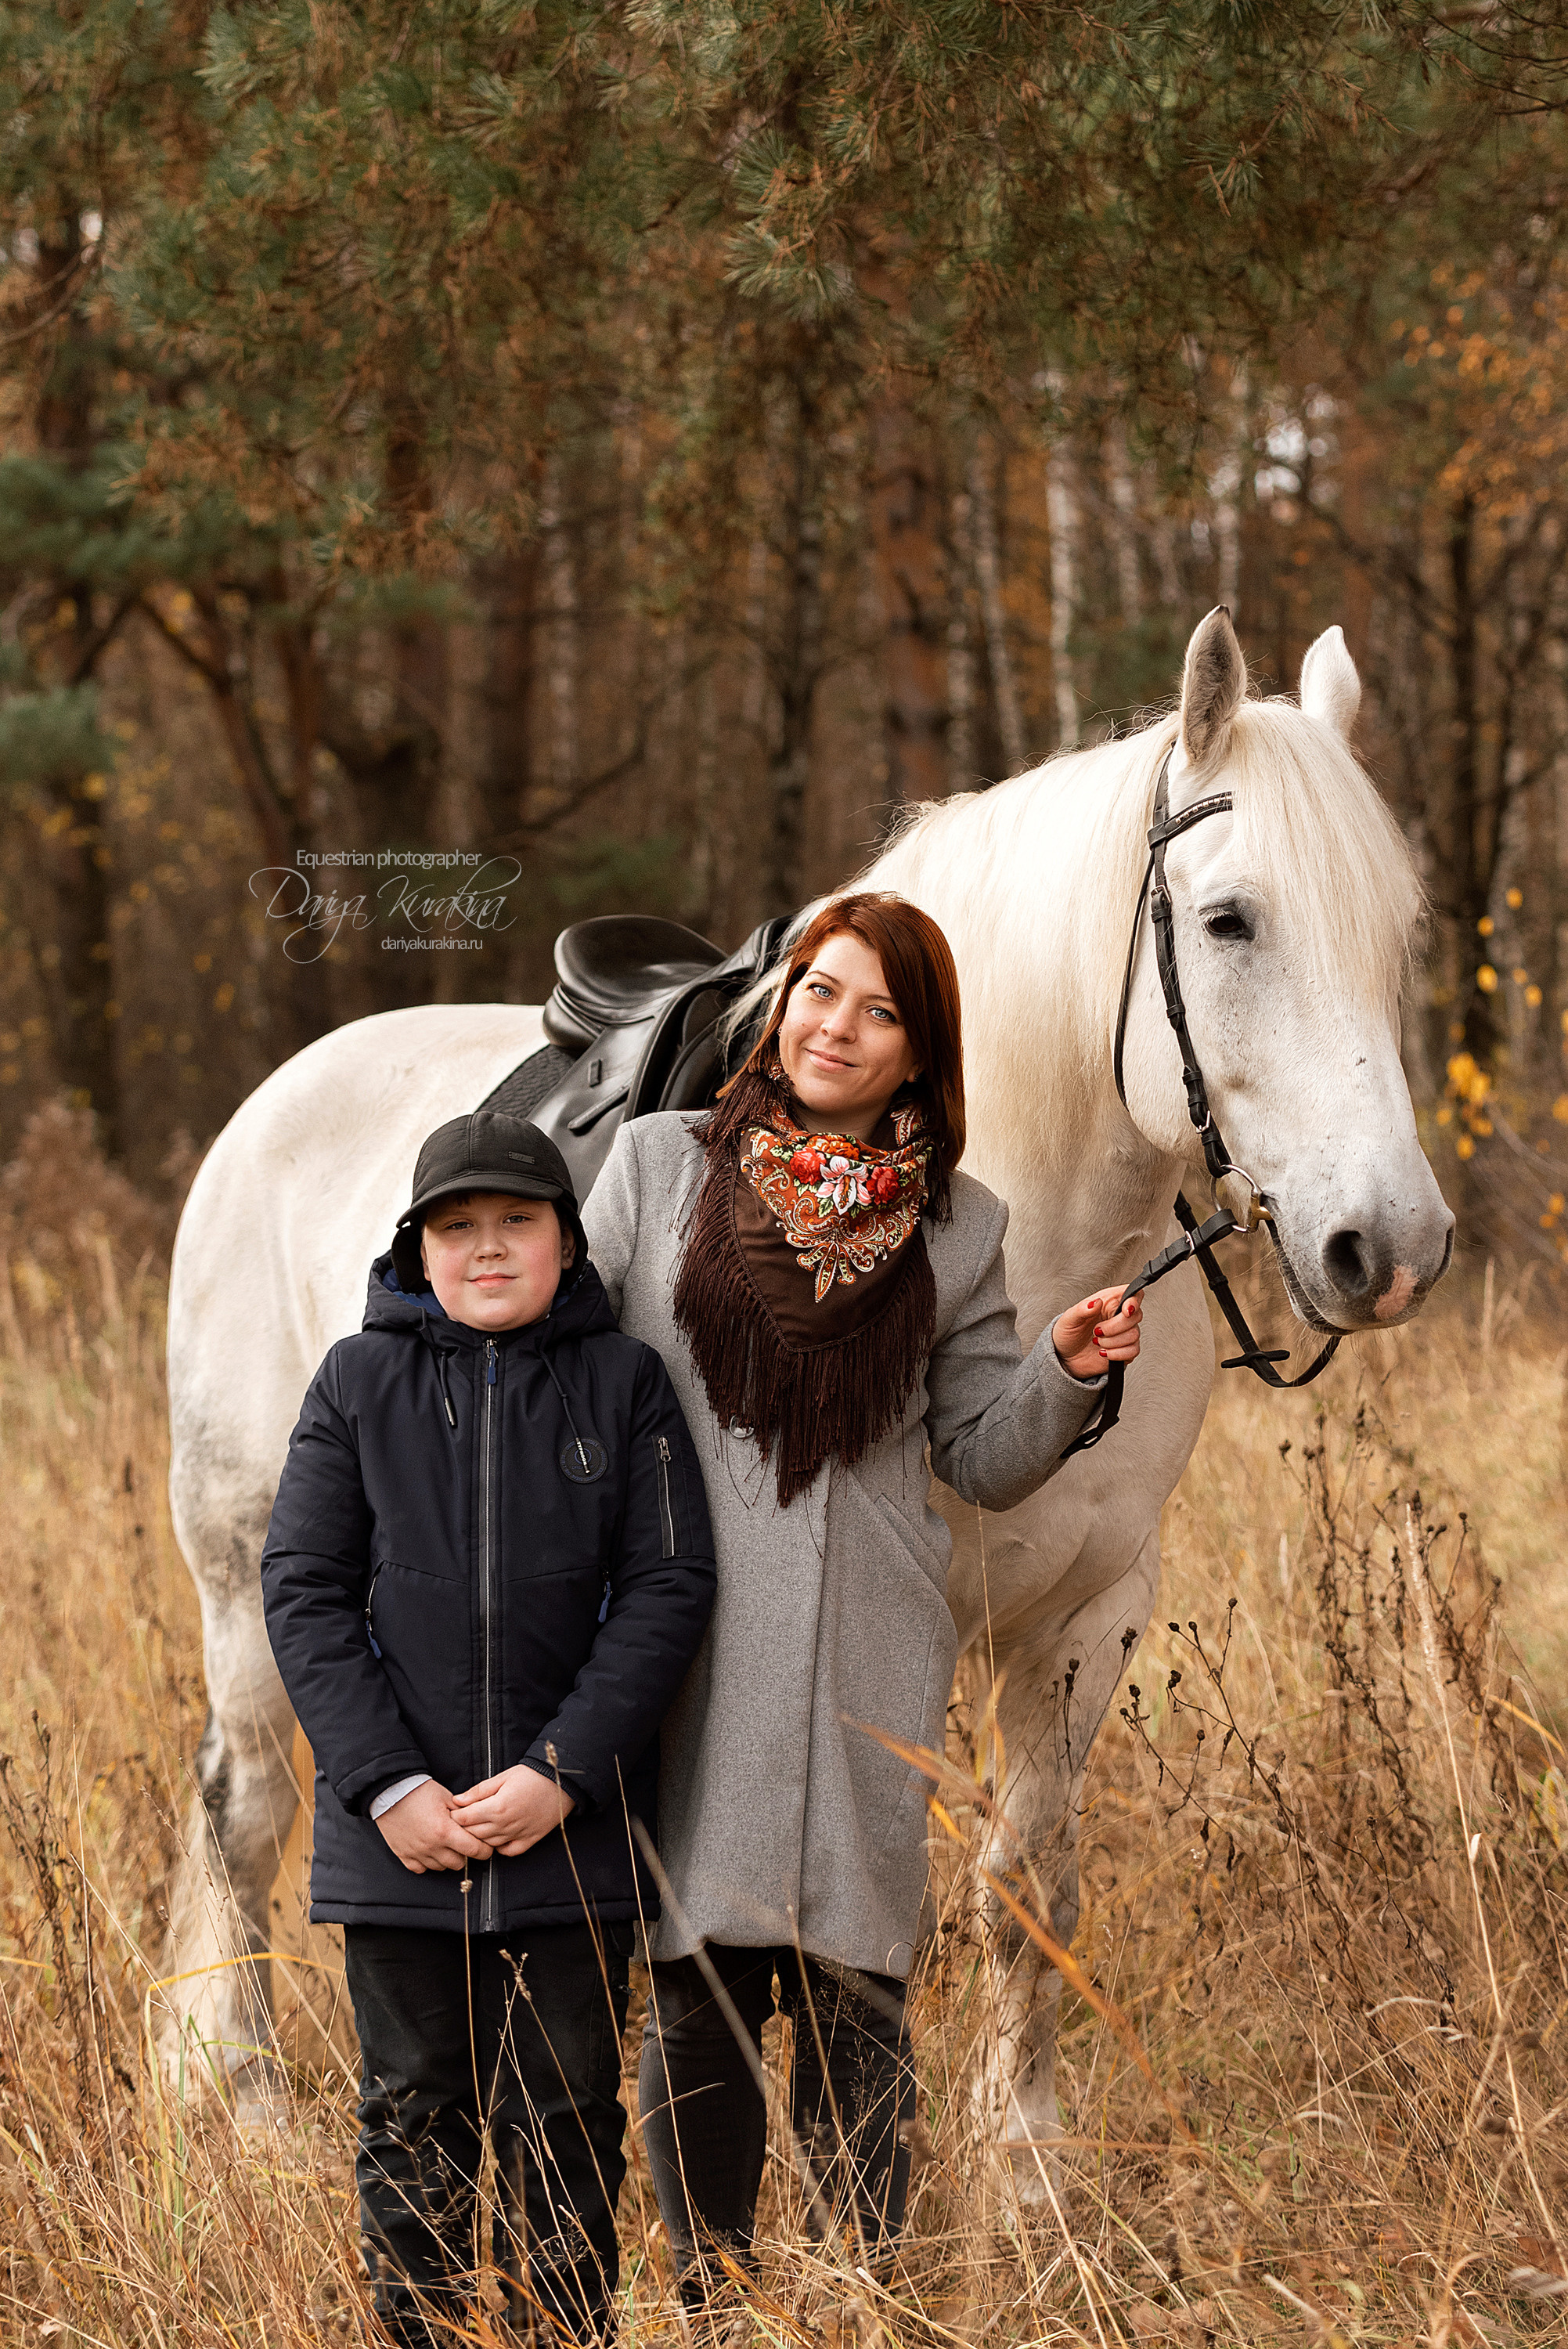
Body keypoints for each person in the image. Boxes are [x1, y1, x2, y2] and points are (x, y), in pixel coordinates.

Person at [582, 892, 1143, 2295]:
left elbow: (983, 1457)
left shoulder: (959, 1229)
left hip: (865, 1649)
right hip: (694, 1638)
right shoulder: (657, 1170)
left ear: (919, 1053)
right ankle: (716, 2304)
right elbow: (566, 1374)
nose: (837, 1027)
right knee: (700, 1988)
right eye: (819, 991)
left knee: (856, 1991)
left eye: (879, 1011)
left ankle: (864, 2301)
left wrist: (1065, 1370)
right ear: (781, 1005)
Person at [260, 1111, 716, 2347]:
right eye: (457, 1227)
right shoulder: (357, 1384)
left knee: (567, 2115)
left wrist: (563, 1773)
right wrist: (387, 1786)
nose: (490, 1247)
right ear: (418, 1250)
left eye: (518, 1219)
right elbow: (303, 1592)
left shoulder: (625, 1384)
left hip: (570, 1836)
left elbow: (671, 1585)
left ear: (568, 1239)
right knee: (413, 2112)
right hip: (398, 1848)